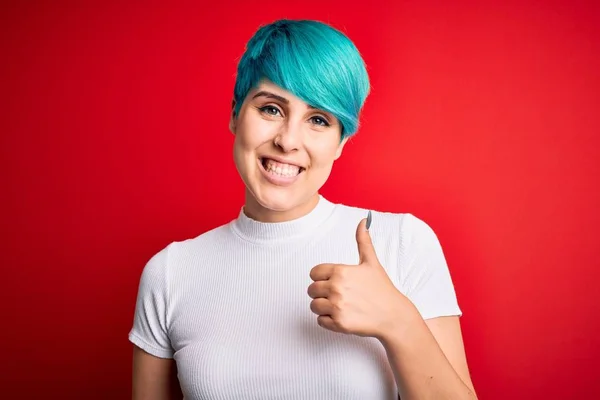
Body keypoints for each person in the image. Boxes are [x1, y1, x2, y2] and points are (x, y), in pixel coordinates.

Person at [129, 19, 477, 400]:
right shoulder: (170, 273)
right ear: (235, 114)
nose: (288, 141)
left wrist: (398, 321)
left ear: (340, 142)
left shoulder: (402, 243)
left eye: (318, 120)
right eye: (271, 109)